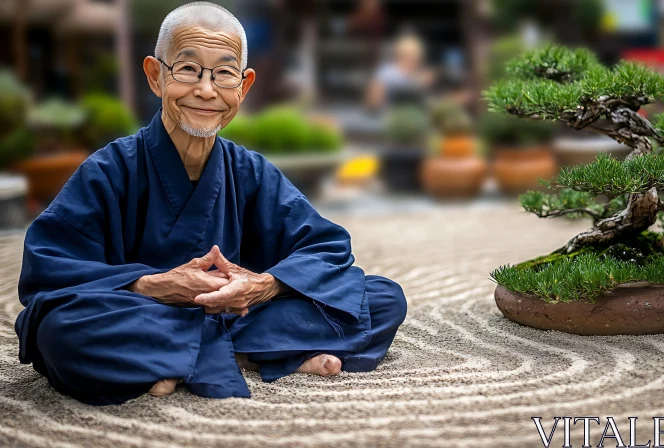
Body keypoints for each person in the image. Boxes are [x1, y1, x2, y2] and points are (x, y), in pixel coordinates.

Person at [14, 1, 407, 406]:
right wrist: (155, 287)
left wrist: (262, 286)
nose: (206, 90)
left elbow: (327, 248)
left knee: (380, 299)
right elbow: (50, 267)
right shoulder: (110, 169)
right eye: (187, 69)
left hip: (229, 318)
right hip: (140, 314)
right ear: (154, 76)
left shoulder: (250, 171)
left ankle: (174, 359)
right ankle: (244, 354)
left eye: (223, 73)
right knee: (60, 330)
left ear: (244, 85)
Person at [365, 33, 435, 110]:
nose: (416, 61)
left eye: (417, 57)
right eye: (411, 56)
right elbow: (372, 101)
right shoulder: (387, 72)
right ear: (400, 56)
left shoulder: (419, 75)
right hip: (387, 116)